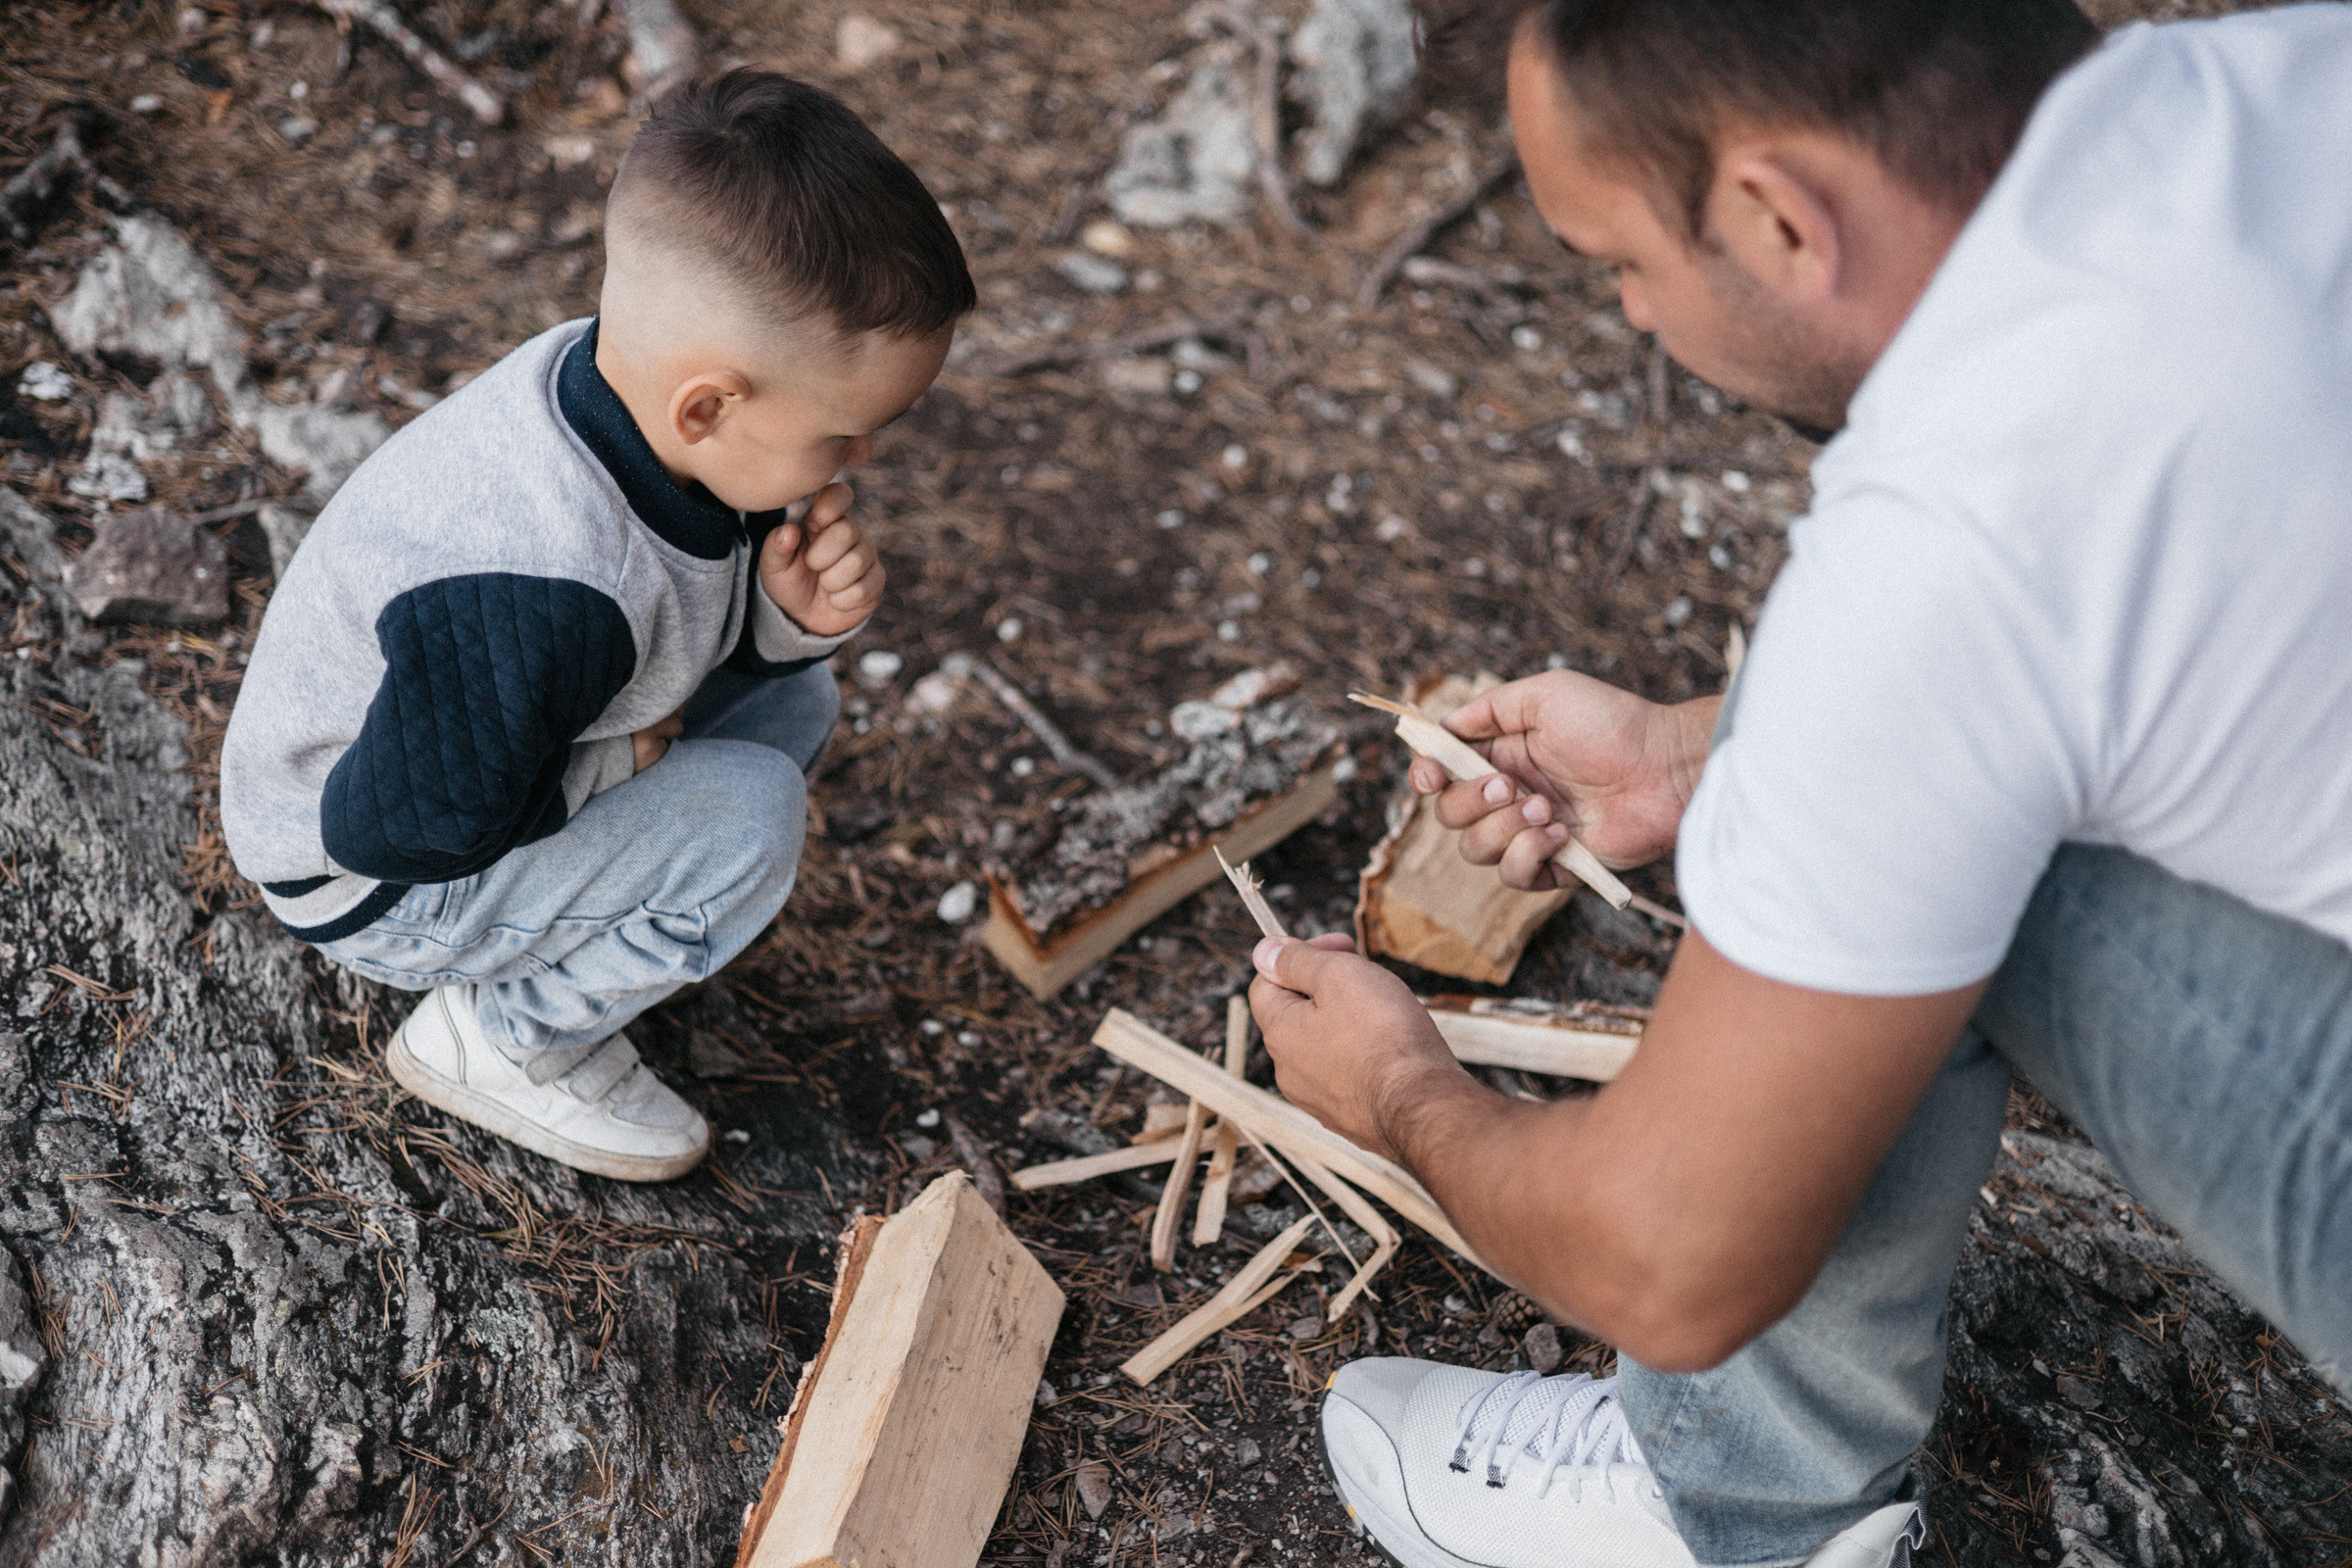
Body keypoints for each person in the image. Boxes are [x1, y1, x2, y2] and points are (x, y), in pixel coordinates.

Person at [1246, 2, 2352, 1564]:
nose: (1632, 312)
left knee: (1970, 855)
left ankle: (1729, 1509)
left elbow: (1672, 1259)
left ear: (1775, 214)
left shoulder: (1950, 544)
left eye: (1619, 258)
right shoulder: (2296, 80)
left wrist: (1401, 1093)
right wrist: (1710, 748)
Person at [219, 73, 972, 1183]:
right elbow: (394, 824)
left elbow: (667, 618)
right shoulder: (546, 582)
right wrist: (610, 766)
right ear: (708, 406)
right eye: (847, 435)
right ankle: (501, 1038)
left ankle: (610, 906)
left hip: (486, 745)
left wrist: (780, 618)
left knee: (798, 697)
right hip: (375, 873)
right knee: (756, 815)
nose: (862, 461)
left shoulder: (630, 388)